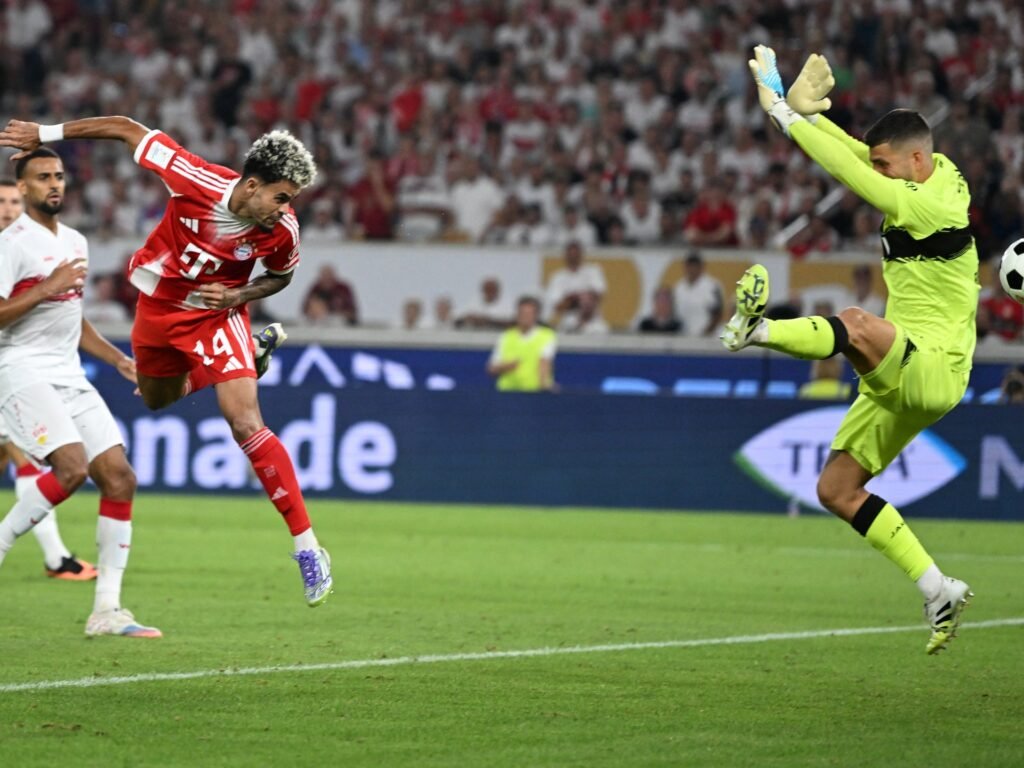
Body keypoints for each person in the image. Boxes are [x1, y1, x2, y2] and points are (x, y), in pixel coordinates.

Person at [0, 116, 334, 606]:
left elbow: (279, 278)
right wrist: (46, 134)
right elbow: (126, 128)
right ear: (253, 184)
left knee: (244, 421)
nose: (286, 210)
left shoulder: (282, 230)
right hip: (157, 310)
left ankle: (307, 547)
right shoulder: (194, 177)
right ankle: (249, 358)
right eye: (281, 197)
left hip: (216, 314)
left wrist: (239, 293)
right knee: (157, 400)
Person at [728, 47, 975, 653]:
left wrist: (785, 113)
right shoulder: (922, 169)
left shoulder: (931, 202)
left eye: (888, 165)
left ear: (916, 161)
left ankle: (756, 331)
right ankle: (937, 587)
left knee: (858, 324)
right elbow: (860, 160)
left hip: (936, 368)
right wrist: (814, 118)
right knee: (836, 490)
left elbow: (854, 175)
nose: (880, 171)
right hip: (903, 368)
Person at [0, 148, 158, 636]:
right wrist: (45, 288)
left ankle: (106, 612)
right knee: (70, 469)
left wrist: (117, 359)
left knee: (119, 478)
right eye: (43, 177)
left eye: (60, 176)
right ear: (21, 188)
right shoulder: (11, 245)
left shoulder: (75, 241)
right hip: (20, 369)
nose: (55, 184)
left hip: (69, 373)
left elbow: (74, 316)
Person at [0, 176, 96, 580]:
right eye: (1, 202)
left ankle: (56, 557)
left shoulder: (26, 250)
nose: (8, 209)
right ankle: (56, 558)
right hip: (15, 370)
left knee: (21, 457)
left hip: (17, 371)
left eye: (13, 202)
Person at [487, 296, 556, 392]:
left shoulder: (546, 336)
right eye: (522, 313)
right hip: (507, 392)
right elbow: (491, 369)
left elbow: (544, 362)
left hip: (533, 393)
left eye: (529, 314)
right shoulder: (506, 336)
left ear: (536, 315)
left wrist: (545, 384)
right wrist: (504, 367)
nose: (525, 317)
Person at [545, 240, 606, 328]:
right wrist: (576, 299)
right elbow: (557, 306)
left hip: (593, 323)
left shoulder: (593, 271)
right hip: (568, 324)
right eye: (571, 255)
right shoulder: (558, 277)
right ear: (566, 256)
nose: (573, 257)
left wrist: (574, 298)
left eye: (576, 254)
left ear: (581, 255)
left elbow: (599, 294)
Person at [673, 251, 723, 337]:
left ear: (701, 267)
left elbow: (717, 313)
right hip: (684, 336)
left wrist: (706, 333)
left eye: (695, 266)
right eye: (689, 266)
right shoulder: (679, 287)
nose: (692, 270)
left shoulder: (711, 286)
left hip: (707, 336)